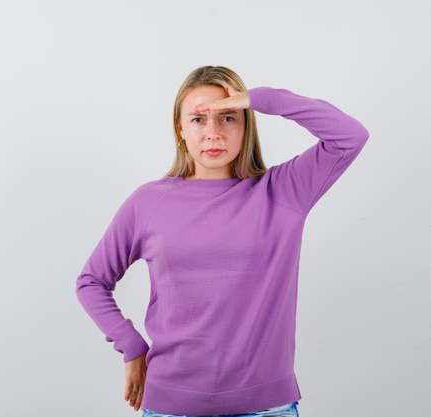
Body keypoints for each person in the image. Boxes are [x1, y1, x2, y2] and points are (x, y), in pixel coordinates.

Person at [75, 66, 369, 417]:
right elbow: (92, 281)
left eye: (228, 118)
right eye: (199, 120)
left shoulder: (284, 191)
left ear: (246, 127)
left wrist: (263, 99)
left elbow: (350, 136)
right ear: (180, 130)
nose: (213, 133)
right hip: (172, 406)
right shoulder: (148, 203)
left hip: (267, 408)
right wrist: (132, 346)